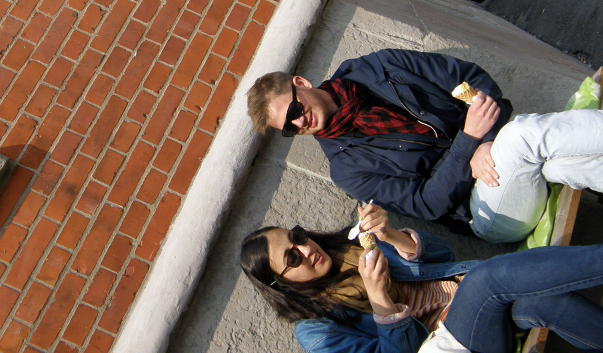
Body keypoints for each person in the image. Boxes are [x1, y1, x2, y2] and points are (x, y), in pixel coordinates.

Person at [247, 49, 603, 242]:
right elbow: (427, 205)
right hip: (487, 211)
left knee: (561, 164)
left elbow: (468, 78)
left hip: (507, 161)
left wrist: (486, 140)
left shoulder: (378, 67)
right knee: (521, 135)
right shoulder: (347, 170)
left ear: (301, 83)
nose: (299, 122)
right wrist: (469, 143)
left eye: (294, 110)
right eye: (289, 128)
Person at [240, 203, 603, 353]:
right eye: (292, 257)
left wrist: (394, 236)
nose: (306, 249)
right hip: (444, 344)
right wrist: (381, 301)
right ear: (281, 284)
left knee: (542, 301)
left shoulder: (349, 247)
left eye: (298, 237)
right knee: (485, 280)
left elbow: (445, 258)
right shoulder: (315, 331)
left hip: (473, 314)